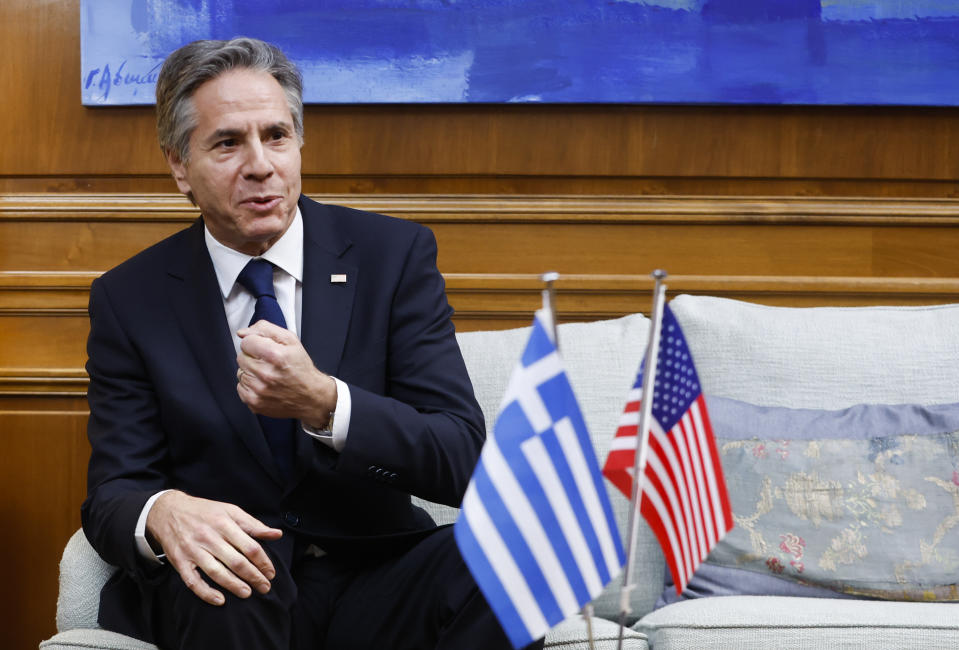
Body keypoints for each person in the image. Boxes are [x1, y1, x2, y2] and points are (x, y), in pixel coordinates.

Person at [81, 36, 542, 650]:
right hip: (234, 582)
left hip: (378, 568)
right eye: (227, 143)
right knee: (228, 587)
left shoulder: (391, 257)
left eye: (276, 136)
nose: (260, 164)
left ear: (298, 142)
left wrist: (327, 404)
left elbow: (460, 457)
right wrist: (163, 510)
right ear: (177, 164)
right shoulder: (129, 297)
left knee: (508, 560)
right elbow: (114, 490)